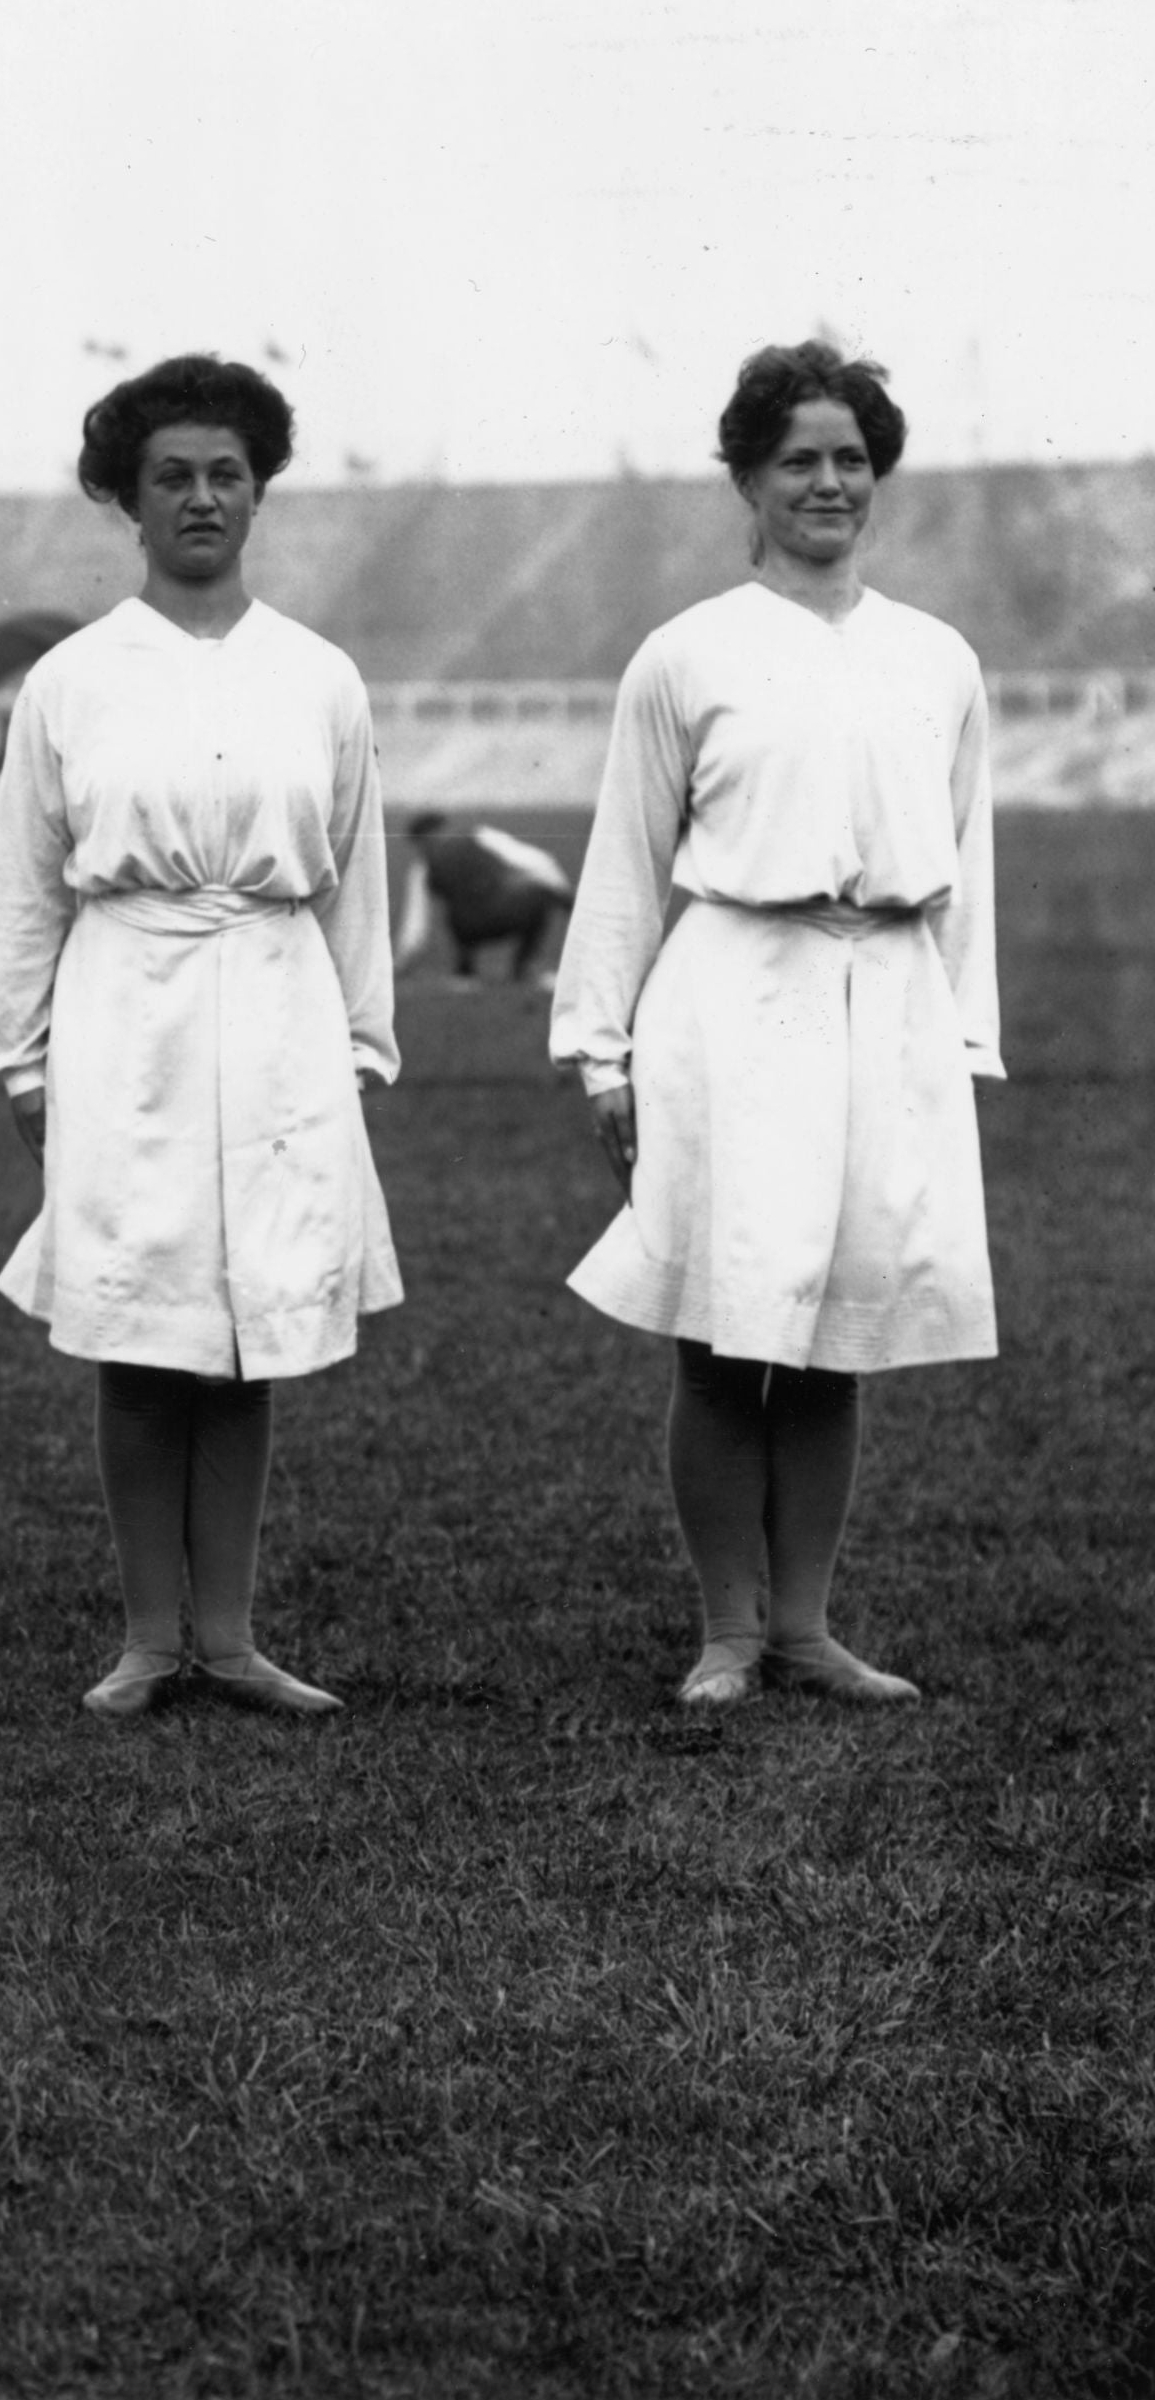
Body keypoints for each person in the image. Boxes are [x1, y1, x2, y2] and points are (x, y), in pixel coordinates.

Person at [550, 342, 995, 1708]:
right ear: (747, 478)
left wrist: (963, 1048)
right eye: (798, 458)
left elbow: (968, 862)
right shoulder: (688, 654)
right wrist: (601, 1048)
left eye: (851, 457)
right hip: (732, 1004)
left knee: (839, 1330)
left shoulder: (937, 657)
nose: (828, 481)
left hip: (890, 1008)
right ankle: (727, 1630)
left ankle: (804, 1624)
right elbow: (627, 857)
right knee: (724, 1326)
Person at [0, 354, 398, 1720]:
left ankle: (230, 1633)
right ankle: (150, 1637)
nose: (202, 498)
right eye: (173, 476)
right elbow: (27, 883)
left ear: (259, 492)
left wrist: (362, 1050)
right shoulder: (73, 679)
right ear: (128, 499)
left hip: (278, 1008)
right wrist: (22, 1056)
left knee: (251, 1325)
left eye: (226, 474)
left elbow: (355, 878)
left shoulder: (319, 676)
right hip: (127, 1012)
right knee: (144, 1327)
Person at [399, 812, 575, 983]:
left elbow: (415, 927)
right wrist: (564, 896)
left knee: (459, 912)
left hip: (469, 930)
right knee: (539, 895)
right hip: (500, 917)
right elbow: (538, 861)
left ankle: (465, 971)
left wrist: (401, 964)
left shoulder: (423, 868)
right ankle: (522, 967)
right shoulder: (479, 836)